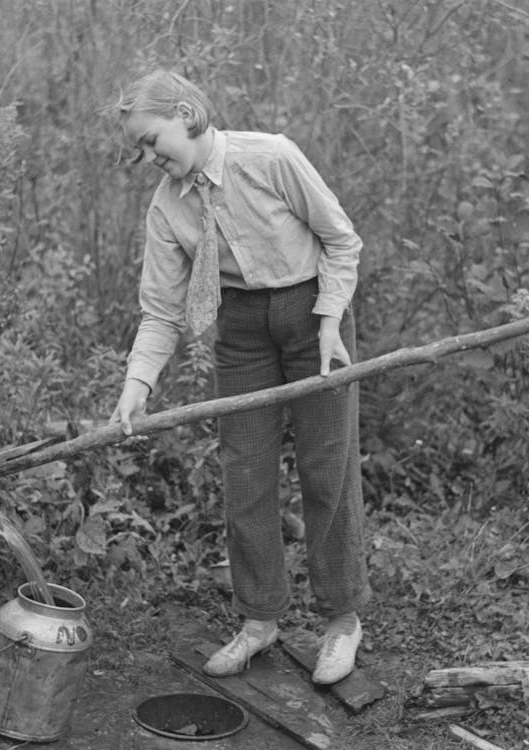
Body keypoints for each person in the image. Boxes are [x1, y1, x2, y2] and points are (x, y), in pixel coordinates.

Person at [111, 69, 370, 685]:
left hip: (315, 317)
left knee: (326, 467)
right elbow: (161, 311)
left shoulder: (271, 157)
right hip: (243, 330)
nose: (148, 158)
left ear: (186, 114)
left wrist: (330, 320)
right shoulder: (167, 206)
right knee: (245, 473)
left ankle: (342, 621)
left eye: (151, 140)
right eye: (139, 150)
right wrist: (136, 387)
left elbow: (341, 241)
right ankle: (260, 620)